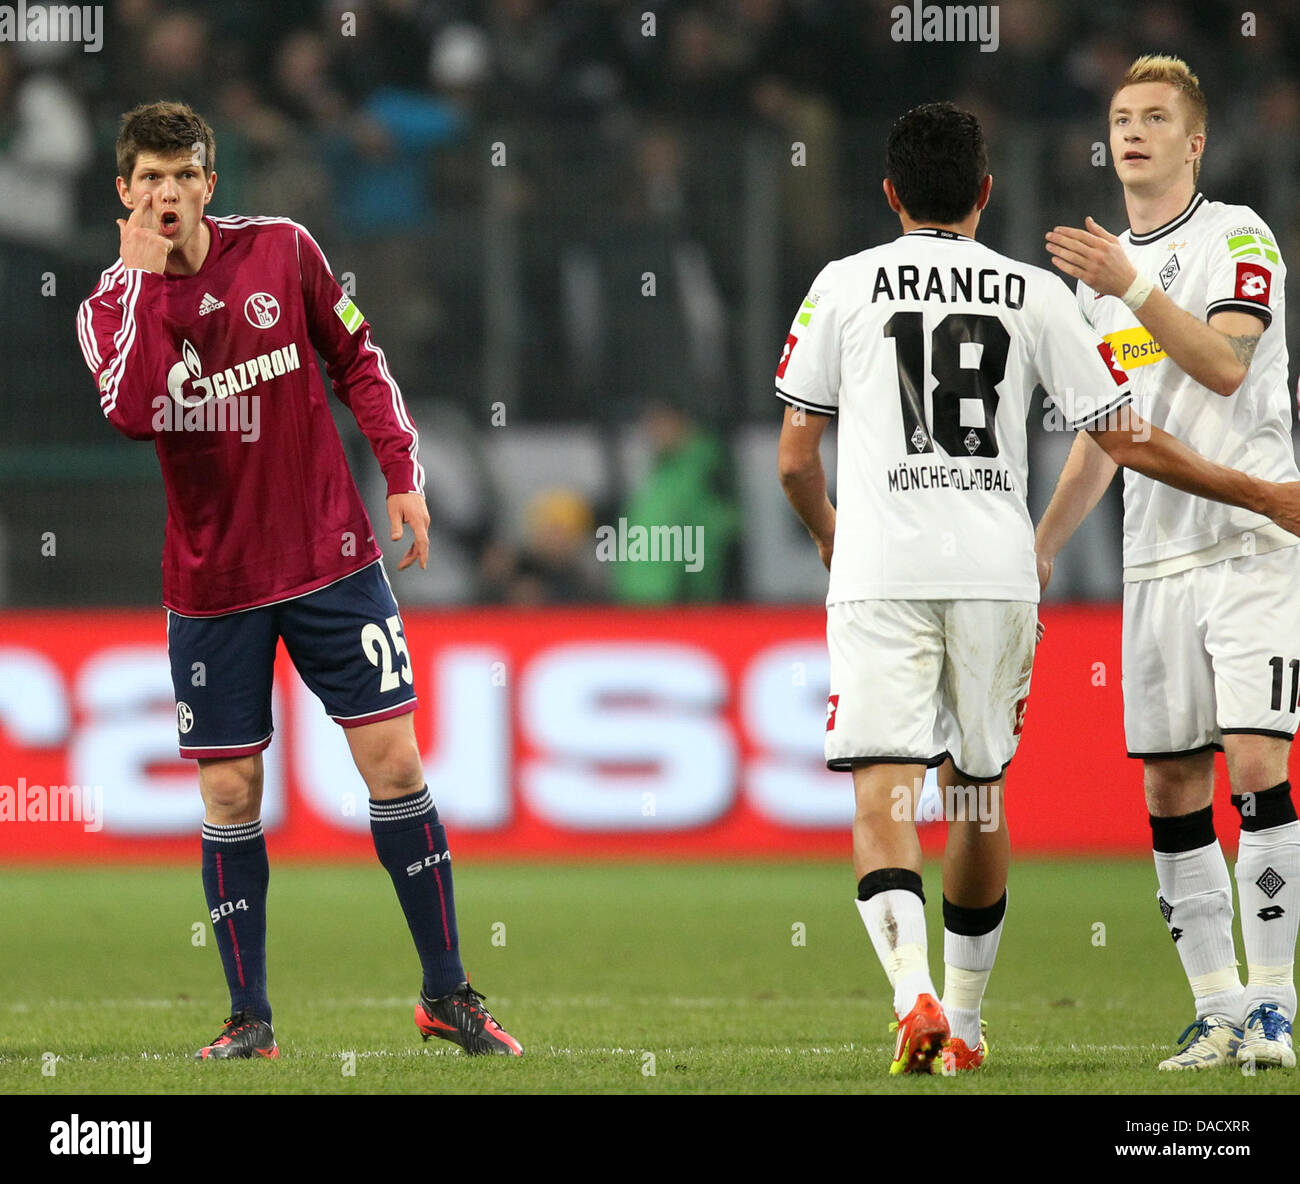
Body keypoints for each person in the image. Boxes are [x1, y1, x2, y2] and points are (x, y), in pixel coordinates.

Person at [776, 101, 1300, 1076]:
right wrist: (1256, 489)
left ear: (888, 193)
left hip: (881, 569)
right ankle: (967, 1023)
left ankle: (912, 992)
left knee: (885, 794)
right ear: (984, 192)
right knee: (975, 796)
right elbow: (1125, 436)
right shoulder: (1032, 293)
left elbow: (796, 456)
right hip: (993, 570)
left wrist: (828, 536)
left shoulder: (840, 287)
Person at [76, 101, 522, 1060]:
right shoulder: (108, 307)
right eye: (148, 179)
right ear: (124, 193)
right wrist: (147, 286)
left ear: (209, 183)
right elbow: (133, 411)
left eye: (182, 175)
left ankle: (448, 996)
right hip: (212, 584)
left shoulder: (283, 249)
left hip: (332, 560)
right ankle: (250, 1021)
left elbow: (358, 356)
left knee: (395, 765)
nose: (166, 194)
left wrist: (400, 470)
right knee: (232, 793)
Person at [1039, 55, 1300, 1071]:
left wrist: (1132, 282)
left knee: (1255, 760)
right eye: (1119, 117)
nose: (1131, 131)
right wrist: (1044, 544)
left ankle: (1277, 1001)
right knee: (1169, 787)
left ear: (1193, 142)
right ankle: (1219, 1006)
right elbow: (1102, 435)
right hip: (1153, 558)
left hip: (1251, 543)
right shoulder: (1099, 290)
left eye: (1154, 117)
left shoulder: (1235, 235)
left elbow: (1227, 365)